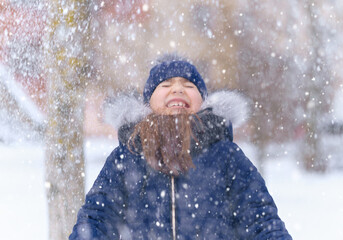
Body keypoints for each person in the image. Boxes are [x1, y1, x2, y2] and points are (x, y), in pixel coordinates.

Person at [69, 54, 292, 239]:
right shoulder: (127, 157)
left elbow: (261, 219)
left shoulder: (226, 156)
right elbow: (95, 219)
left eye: (188, 85)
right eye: (166, 85)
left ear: (203, 102)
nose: (177, 89)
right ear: (148, 104)